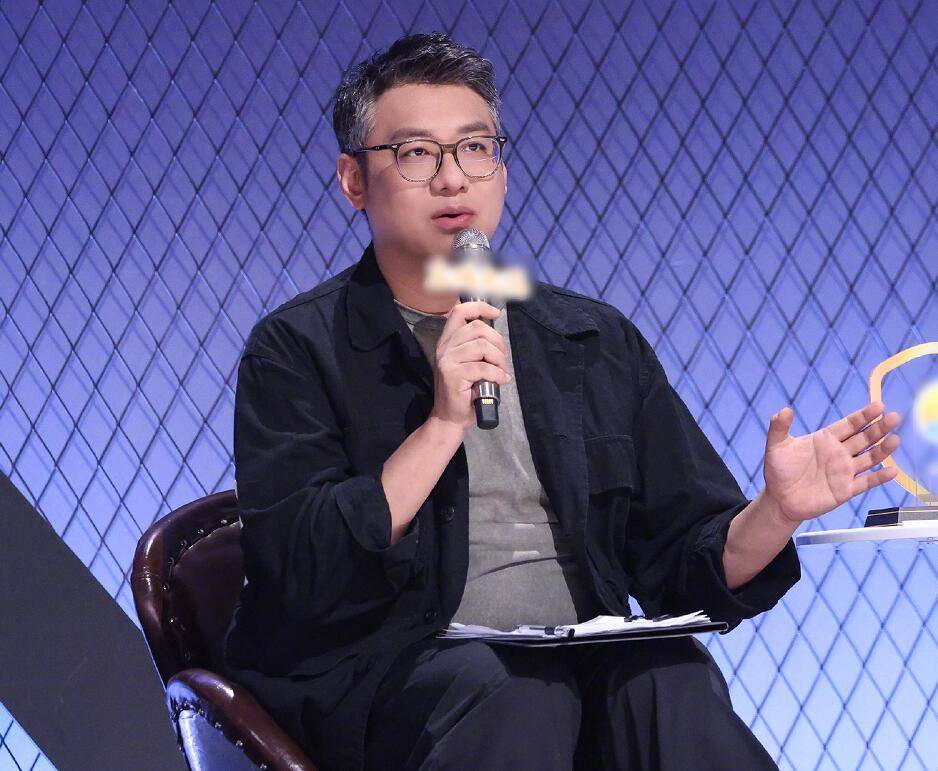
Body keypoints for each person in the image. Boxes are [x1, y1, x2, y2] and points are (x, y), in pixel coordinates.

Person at [222, 32, 902, 771]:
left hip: (576, 657)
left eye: (475, 149)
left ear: (502, 169)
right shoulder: (297, 348)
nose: (453, 179)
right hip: (381, 679)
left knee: (669, 678)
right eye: (417, 154)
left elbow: (683, 562)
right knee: (515, 694)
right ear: (354, 180)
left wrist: (777, 511)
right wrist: (443, 423)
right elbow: (302, 572)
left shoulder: (590, 340)